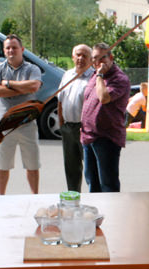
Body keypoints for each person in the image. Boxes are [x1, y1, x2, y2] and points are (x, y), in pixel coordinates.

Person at [0, 34, 42, 195]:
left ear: (22, 49)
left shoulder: (32, 69)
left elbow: (33, 87)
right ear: (4, 51)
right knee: (2, 165)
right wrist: (21, 88)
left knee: (32, 165)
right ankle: (1, 197)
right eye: (8, 48)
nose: (11, 50)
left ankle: (35, 196)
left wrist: (8, 84)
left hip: (27, 124)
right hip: (4, 125)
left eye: (14, 47)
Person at [81, 42, 130, 192]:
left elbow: (104, 97)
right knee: (92, 181)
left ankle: (113, 214)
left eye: (102, 58)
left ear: (111, 57)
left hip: (106, 137)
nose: (98, 63)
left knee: (108, 183)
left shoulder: (119, 79)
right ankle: (96, 212)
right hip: (88, 136)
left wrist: (100, 75)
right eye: (94, 59)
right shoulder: (94, 76)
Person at [58, 44, 94, 192]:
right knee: (71, 168)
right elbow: (60, 100)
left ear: (91, 59)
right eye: (78, 55)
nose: (80, 58)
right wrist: (61, 124)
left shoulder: (93, 77)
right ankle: (73, 199)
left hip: (85, 129)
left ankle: (95, 198)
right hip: (68, 127)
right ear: (73, 57)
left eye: (85, 55)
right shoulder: (67, 75)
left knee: (90, 169)